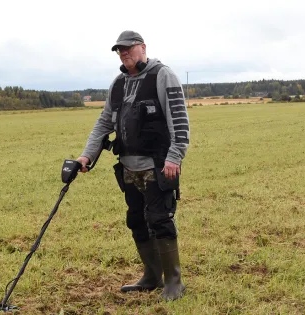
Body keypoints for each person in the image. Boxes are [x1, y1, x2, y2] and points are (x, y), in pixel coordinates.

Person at [76, 30, 190, 301]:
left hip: (158, 166)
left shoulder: (163, 75)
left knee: (160, 220)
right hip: (128, 168)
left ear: (142, 47)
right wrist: (86, 156)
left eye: (128, 48)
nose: (124, 53)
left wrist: (175, 156)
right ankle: (151, 276)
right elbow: (104, 122)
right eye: (119, 50)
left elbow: (180, 120)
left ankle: (174, 282)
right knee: (136, 221)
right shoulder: (118, 83)